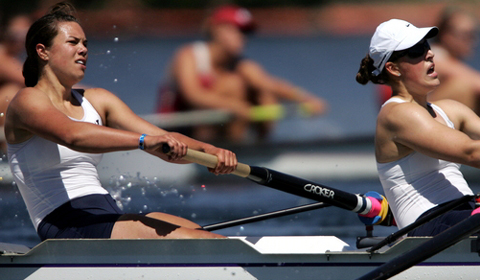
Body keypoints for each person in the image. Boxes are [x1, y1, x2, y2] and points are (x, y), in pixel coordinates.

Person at [5, 2, 239, 241]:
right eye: (73, 42)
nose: (83, 49)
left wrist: (210, 151)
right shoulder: (27, 100)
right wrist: (145, 142)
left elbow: (163, 139)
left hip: (106, 216)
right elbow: (72, 135)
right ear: (42, 51)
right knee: (201, 242)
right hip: (65, 226)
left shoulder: (98, 99)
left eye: (85, 43)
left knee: (208, 237)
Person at [356, 19, 480, 236]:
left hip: (464, 212)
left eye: (426, 46)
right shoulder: (397, 114)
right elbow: (471, 153)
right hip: (428, 226)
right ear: (393, 68)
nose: (429, 54)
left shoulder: (451, 109)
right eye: (416, 51)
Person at [157, 5, 327, 143]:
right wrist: (234, 105)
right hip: (177, 131)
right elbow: (193, 95)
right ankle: (230, 152)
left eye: (244, 32)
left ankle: (255, 149)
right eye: (235, 30)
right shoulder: (189, 55)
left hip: (215, 131)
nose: (241, 37)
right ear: (216, 29)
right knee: (234, 86)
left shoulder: (241, 64)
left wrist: (304, 98)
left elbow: (269, 84)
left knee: (265, 96)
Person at [427, 7, 480, 113]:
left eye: (474, 34)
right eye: (466, 35)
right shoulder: (434, 57)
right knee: (461, 87)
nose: (472, 41)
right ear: (445, 35)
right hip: (425, 121)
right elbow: (476, 83)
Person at [0, 14, 31, 152]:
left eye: (24, 34)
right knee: (11, 93)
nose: (18, 39)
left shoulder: (13, 58)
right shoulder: (1, 57)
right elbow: (31, 81)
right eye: (15, 34)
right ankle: (9, 150)